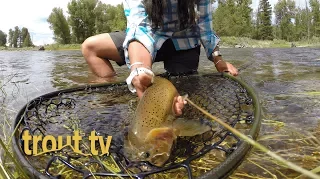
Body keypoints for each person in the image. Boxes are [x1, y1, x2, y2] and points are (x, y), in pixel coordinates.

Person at [82, 0, 238, 115]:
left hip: (184, 43)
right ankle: (114, 99)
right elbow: (139, 28)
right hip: (148, 38)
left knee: (184, 93)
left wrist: (218, 59)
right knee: (90, 48)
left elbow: (205, 26)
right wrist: (140, 68)